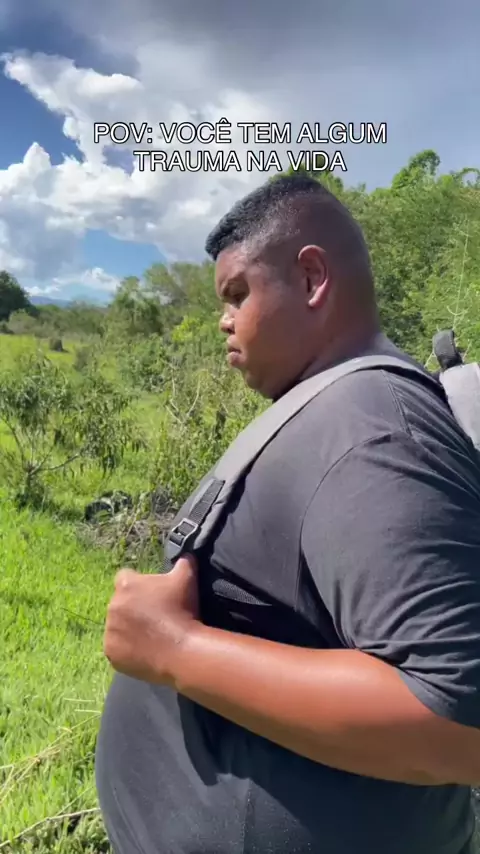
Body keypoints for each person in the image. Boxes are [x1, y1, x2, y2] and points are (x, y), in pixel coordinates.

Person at [95, 175, 480, 854]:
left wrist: (175, 650)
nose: (224, 320)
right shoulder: (341, 408)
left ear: (310, 278)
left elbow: (459, 723)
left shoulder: (369, 428)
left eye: (237, 294)